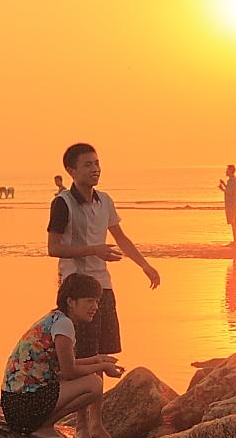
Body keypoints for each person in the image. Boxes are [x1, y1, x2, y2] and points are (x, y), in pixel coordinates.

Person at [49, 142, 161, 361]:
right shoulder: (63, 203)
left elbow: (120, 237)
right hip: (76, 287)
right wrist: (94, 250)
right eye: (88, 165)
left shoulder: (105, 200)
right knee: (82, 352)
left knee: (103, 351)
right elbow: (53, 248)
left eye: (97, 163)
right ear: (71, 171)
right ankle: (87, 393)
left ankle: (98, 395)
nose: (95, 169)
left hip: (103, 285)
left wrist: (145, 266)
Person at [1, 273, 122, 438]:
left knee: (91, 379)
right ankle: (43, 426)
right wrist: (101, 366)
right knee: (94, 384)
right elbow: (69, 371)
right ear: (71, 302)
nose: (95, 307)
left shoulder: (56, 318)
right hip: (23, 406)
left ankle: (42, 424)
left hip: (15, 404)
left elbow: (64, 363)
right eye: (89, 301)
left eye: (96, 301)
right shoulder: (64, 325)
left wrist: (98, 359)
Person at [218, 164, 236, 247]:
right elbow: (229, 190)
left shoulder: (233, 181)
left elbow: (231, 193)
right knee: (233, 222)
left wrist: (223, 189)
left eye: (227, 170)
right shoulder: (231, 181)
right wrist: (224, 185)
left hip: (232, 205)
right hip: (231, 204)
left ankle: (235, 241)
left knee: (233, 222)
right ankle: (235, 241)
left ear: (231, 171)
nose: (226, 172)